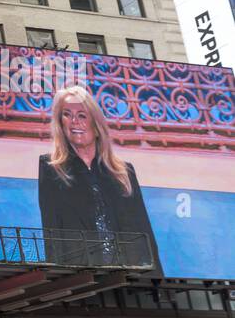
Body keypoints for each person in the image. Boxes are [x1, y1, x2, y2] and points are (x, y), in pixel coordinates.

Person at [38, 86, 161, 270]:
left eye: (81, 115)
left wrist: (158, 286)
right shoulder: (51, 168)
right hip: (83, 279)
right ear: (60, 123)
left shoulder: (124, 171)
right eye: (67, 115)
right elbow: (52, 232)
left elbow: (145, 234)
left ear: (96, 125)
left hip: (130, 279)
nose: (74, 122)